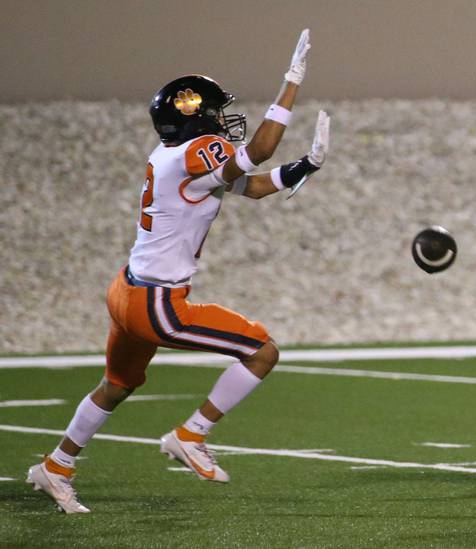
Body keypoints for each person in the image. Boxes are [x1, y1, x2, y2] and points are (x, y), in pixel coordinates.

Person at [26, 29, 330, 514]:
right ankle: (191, 434)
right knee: (262, 352)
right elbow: (257, 153)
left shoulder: (171, 159)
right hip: (159, 305)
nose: (219, 120)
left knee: (117, 385)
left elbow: (248, 186)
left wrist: (306, 165)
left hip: (126, 291)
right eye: (212, 112)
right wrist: (291, 83)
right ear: (195, 118)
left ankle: (57, 465)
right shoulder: (193, 154)